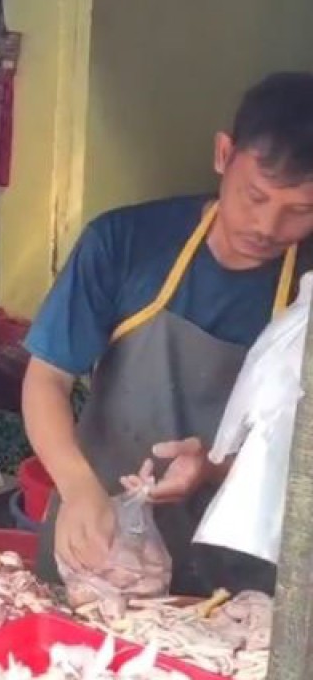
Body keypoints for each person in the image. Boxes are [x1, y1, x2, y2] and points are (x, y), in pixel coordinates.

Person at [23, 72, 313, 596]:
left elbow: (300, 448)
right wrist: (78, 486)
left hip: (237, 575)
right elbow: (47, 379)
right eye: (255, 196)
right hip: (101, 540)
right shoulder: (126, 242)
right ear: (223, 154)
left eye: (300, 211)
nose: (267, 227)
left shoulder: (307, 288)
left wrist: (213, 468)